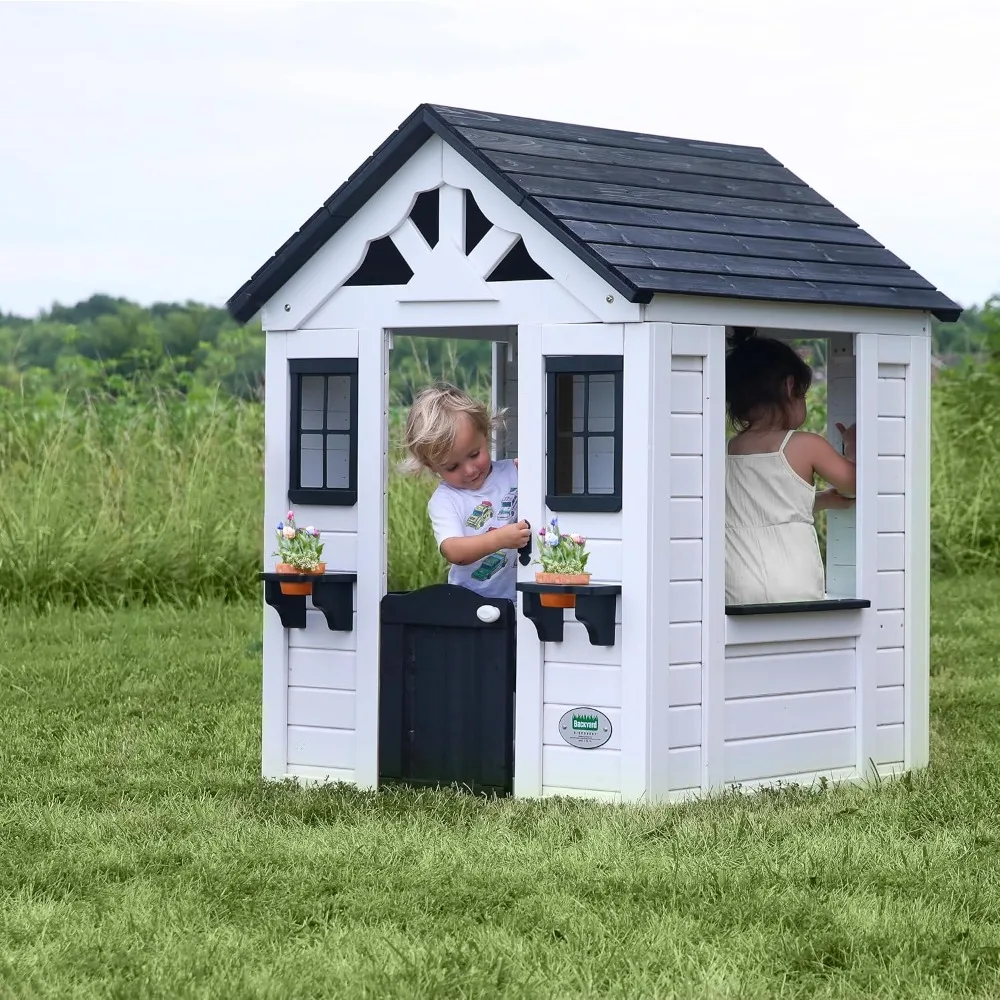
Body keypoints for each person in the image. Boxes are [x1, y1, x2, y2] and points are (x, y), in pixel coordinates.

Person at [725, 329, 857, 606]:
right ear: (789, 387)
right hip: (793, 578)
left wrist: (819, 500)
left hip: (736, 581)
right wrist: (853, 447)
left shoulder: (727, 450)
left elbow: (758, 506)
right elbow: (856, 484)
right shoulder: (804, 444)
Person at [401, 383, 530, 602]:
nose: (469, 470)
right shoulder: (445, 500)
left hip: (522, 598)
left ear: (485, 434)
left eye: (474, 454)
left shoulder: (515, 472)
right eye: (452, 467)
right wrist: (500, 539)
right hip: (469, 604)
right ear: (432, 467)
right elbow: (454, 552)